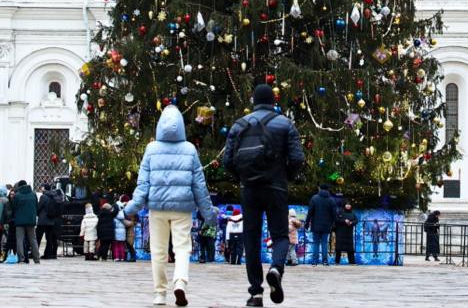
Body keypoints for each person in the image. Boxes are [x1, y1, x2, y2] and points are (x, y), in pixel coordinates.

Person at [222, 82, 305, 308]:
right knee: (280, 235)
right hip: (276, 187)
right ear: (273, 101)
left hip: (249, 189)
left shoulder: (239, 126)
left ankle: (255, 293)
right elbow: (298, 159)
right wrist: (285, 175)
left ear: (254, 101)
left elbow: (227, 161)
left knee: (251, 238)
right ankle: (276, 268)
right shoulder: (285, 124)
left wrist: (242, 177)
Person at [124, 104, 216, 308]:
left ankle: (159, 294)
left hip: (157, 208)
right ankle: (180, 282)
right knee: (183, 248)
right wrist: (209, 214)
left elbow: (143, 185)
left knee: (158, 251)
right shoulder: (190, 149)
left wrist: (129, 208)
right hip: (183, 208)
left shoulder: (151, 149)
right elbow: (199, 186)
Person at [304, 183, 336, 266]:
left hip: (316, 224)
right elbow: (334, 214)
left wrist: (307, 223)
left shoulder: (314, 198)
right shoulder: (331, 200)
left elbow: (310, 212)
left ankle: (314, 262)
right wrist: (332, 224)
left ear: (320, 189)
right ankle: (325, 261)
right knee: (324, 243)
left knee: (316, 243)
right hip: (326, 225)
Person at [10, 180, 39, 263]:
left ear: (19, 186)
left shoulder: (17, 195)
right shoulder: (33, 194)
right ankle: (36, 259)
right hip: (31, 220)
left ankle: (21, 258)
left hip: (19, 221)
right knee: (33, 239)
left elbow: (13, 207)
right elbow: (37, 206)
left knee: (19, 240)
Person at [36, 182, 62, 260]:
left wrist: (37, 213)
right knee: (49, 238)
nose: (41, 188)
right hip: (51, 220)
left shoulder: (43, 196)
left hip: (43, 220)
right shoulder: (53, 196)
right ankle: (48, 254)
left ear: (44, 188)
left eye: (42, 187)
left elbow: (39, 208)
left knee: (38, 237)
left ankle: (35, 252)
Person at [95, 196, 116, 261]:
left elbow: (98, 224)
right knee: (106, 245)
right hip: (109, 233)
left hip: (101, 232)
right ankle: (104, 257)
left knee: (102, 244)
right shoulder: (110, 214)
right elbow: (116, 210)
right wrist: (116, 205)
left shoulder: (100, 214)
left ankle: (98, 255)